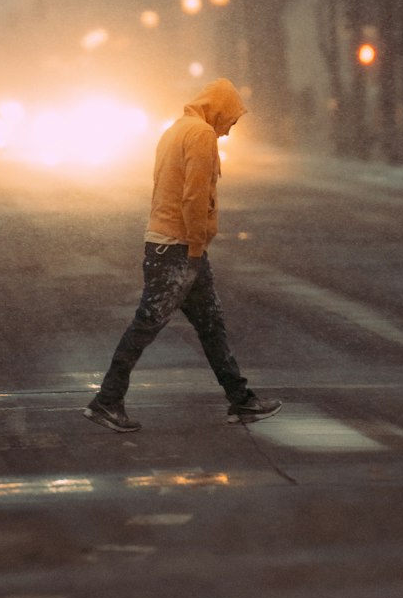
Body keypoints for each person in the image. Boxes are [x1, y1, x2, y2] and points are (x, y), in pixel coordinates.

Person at [84, 77, 282, 433]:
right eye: (231, 121)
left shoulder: (175, 130)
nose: (228, 131)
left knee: (211, 325)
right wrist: (194, 251)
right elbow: (193, 197)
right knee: (147, 324)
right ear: (218, 110)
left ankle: (242, 400)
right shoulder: (202, 135)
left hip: (167, 243)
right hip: (178, 248)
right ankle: (107, 401)